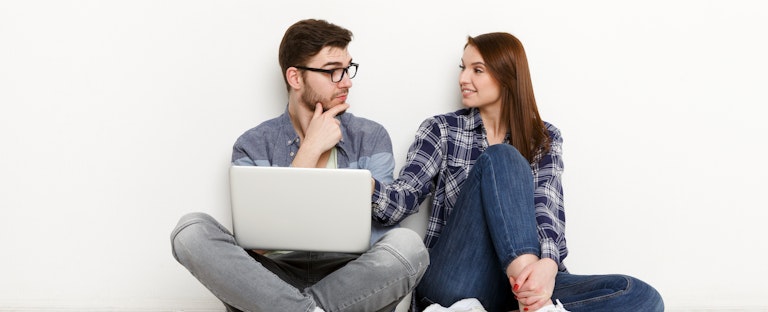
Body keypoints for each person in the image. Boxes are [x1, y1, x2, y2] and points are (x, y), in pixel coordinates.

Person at [371, 32, 664, 312]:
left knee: (641, 297)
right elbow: (403, 198)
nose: (463, 78)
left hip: (518, 286)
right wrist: (368, 188)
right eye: (463, 68)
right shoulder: (442, 130)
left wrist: (548, 266)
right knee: (501, 158)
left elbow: (547, 210)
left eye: (477, 70)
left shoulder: (544, 137)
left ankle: (526, 302)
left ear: (506, 76)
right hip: (456, 282)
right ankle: (535, 306)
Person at [170, 19, 429, 312]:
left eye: (348, 69)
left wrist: (361, 184)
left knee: (408, 246)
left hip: (351, 279)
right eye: (333, 71)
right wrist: (310, 149)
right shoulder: (253, 144)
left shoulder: (370, 136)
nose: (346, 81)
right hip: (270, 282)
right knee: (190, 231)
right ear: (295, 78)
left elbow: (382, 224)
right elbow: (258, 243)